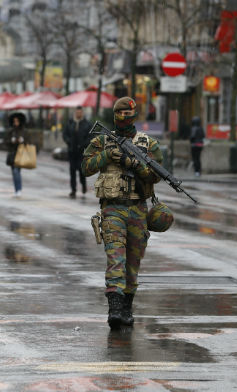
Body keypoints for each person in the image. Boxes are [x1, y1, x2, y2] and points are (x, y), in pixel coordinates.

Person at [82, 97, 163, 330]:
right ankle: (115, 309)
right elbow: (86, 167)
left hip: (138, 208)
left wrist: (136, 164)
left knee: (133, 262)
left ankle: (127, 307)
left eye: (128, 115)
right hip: (112, 208)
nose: (124, 120)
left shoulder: (148, 144)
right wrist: (108, 156)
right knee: (115, 258)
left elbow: (157, 175)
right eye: (120, 115)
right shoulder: (102, 141)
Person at [63, 106, 91, 198]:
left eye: (80, 112)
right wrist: (68, 141)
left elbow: (90, 137)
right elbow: (65, 134)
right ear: (75, 112)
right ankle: (73, 190)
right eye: (77, 112)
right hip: (72, 151)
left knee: (81, 170)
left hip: (82, 152)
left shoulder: (87, 124)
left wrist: (84, 144)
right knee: (72, 171)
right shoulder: (70, 122)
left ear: (82, 113)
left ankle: (83, 185)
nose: (78, 114)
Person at [5, 112, 27, 197]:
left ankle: (19, 189)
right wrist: (11, 141)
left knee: (16, 171)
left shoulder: (24, 131)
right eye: (14, 121)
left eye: (17, 121)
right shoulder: (11, 131)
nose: (16, 123)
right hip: (12, 154)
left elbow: (29, 141)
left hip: (21, 154)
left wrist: (23, 141)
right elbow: (6, 142)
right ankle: (16, 189)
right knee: (14, 172)